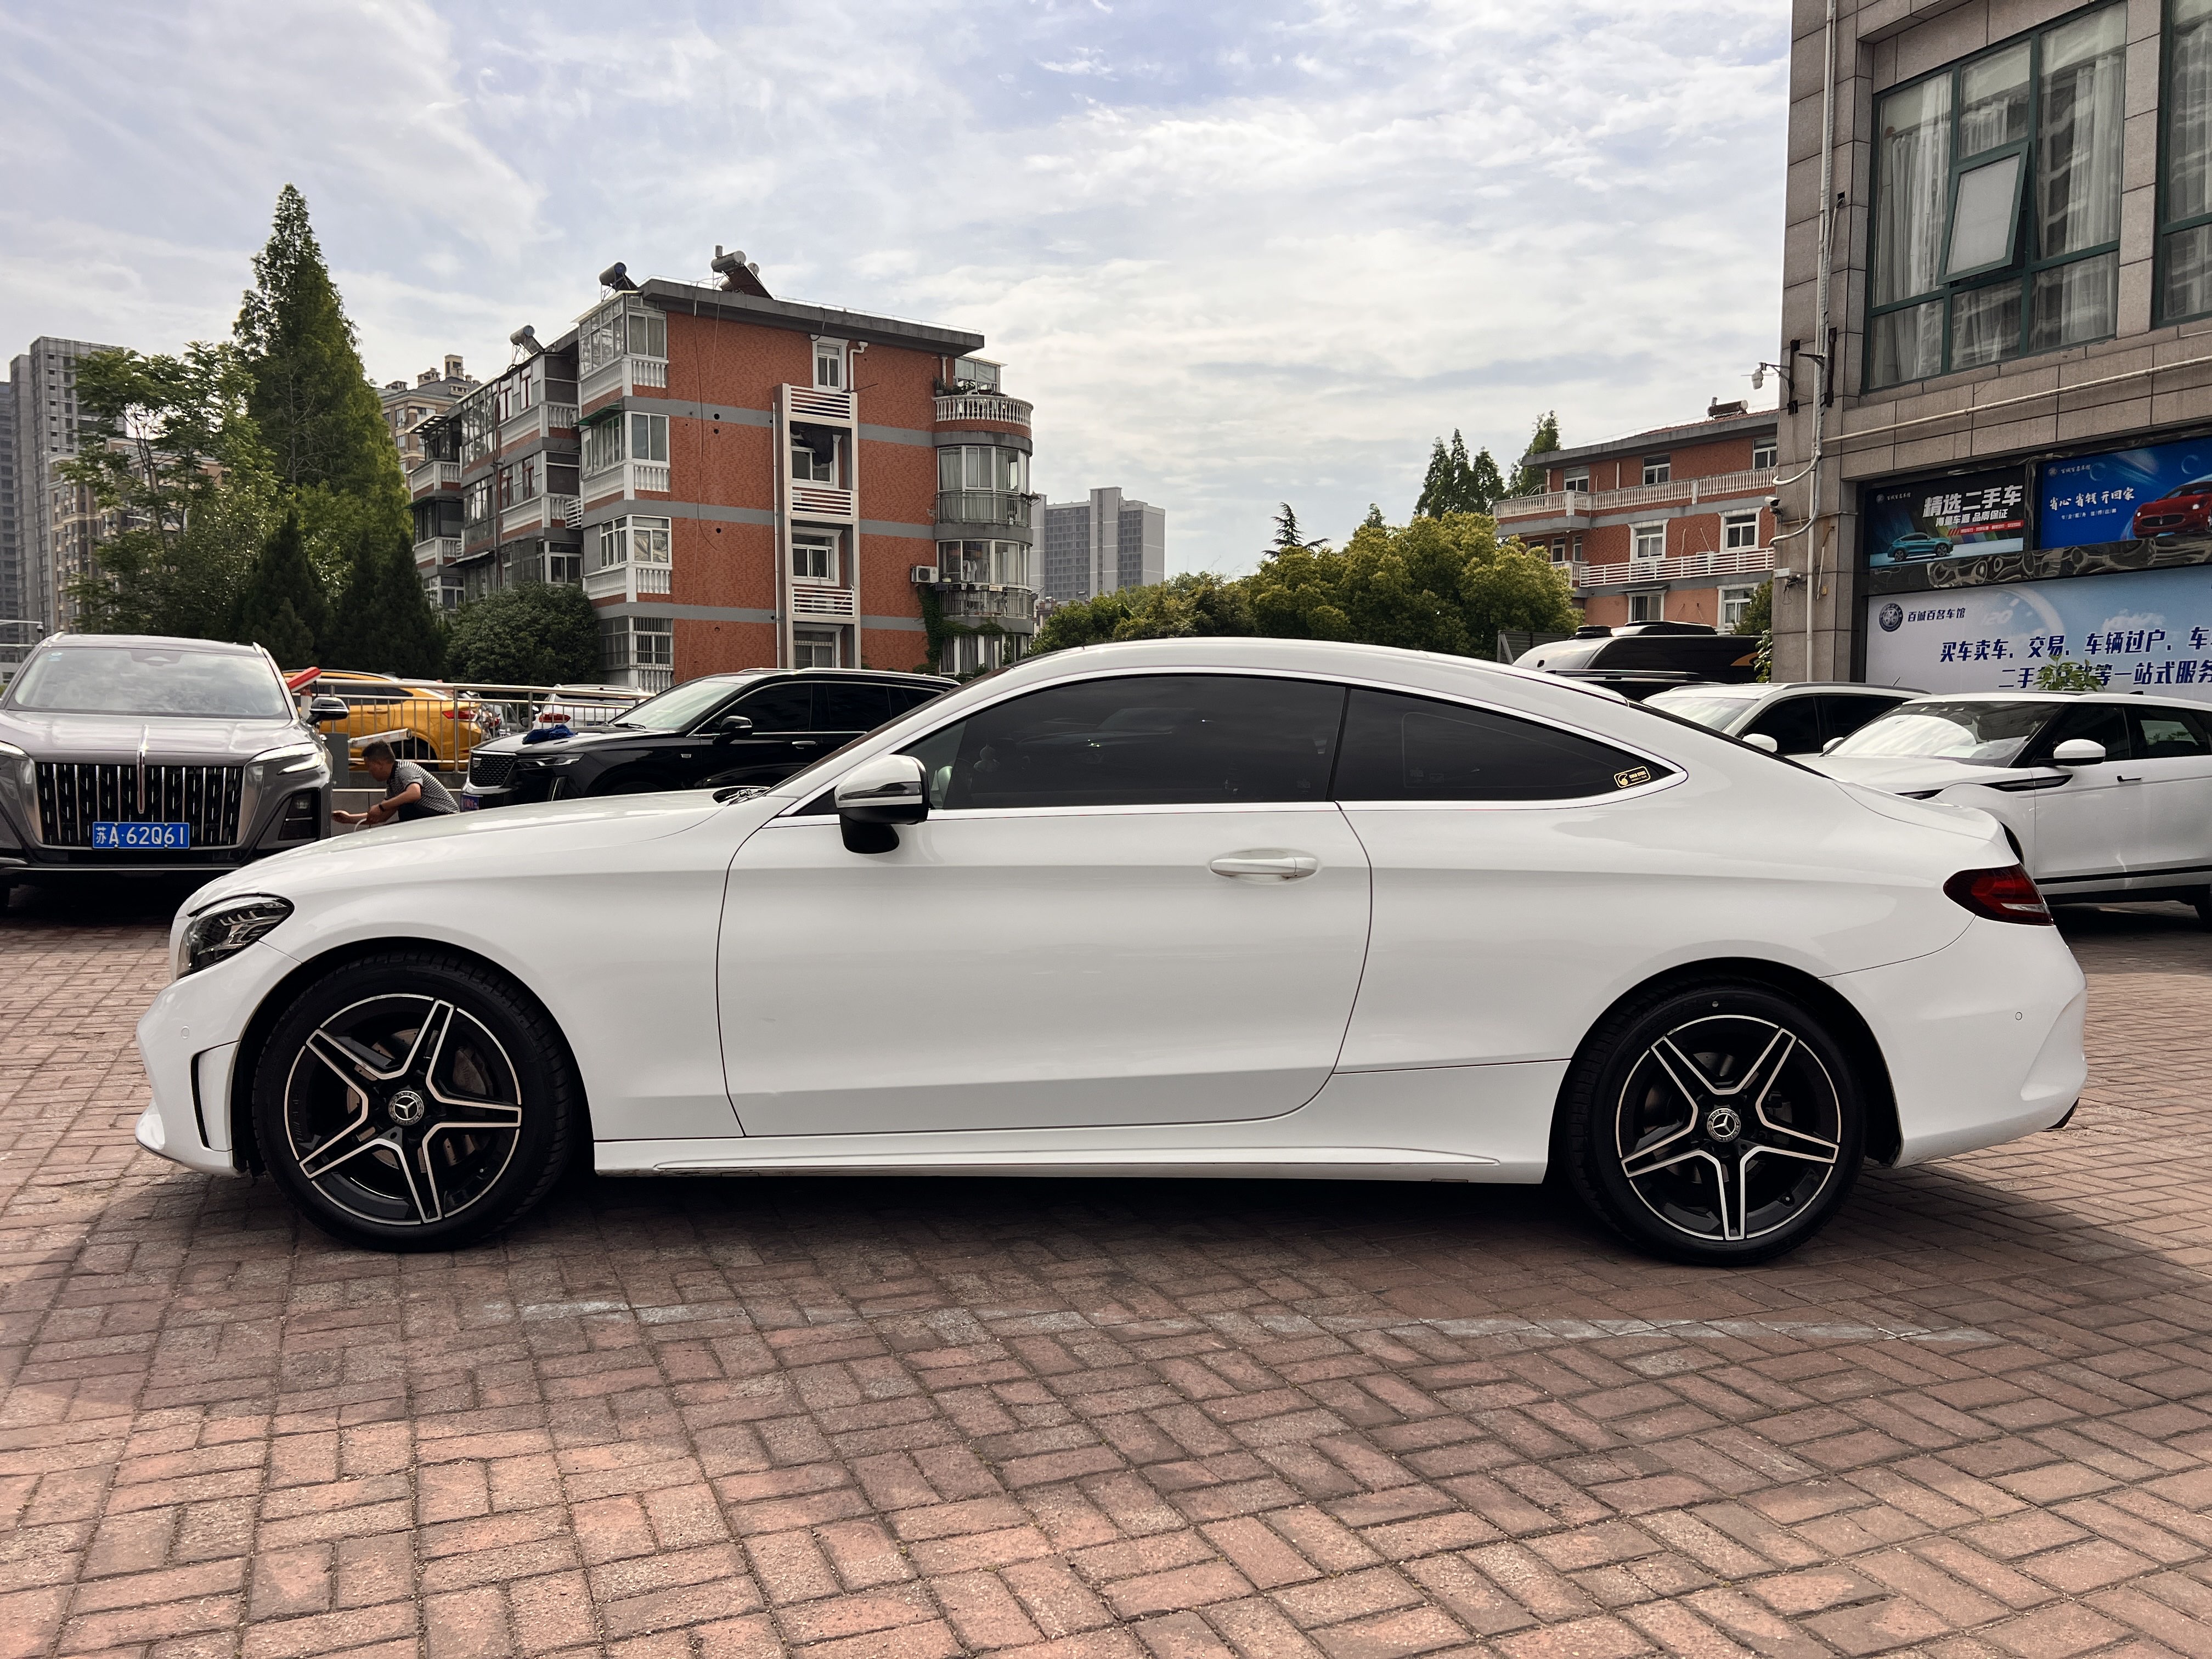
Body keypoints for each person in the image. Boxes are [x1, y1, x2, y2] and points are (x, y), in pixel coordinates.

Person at [334, 740, 460, 828]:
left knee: (406, 808)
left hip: (446, 818)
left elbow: (414, 793)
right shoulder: (392, 781)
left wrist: (382, 806)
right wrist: (348, 819)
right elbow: (382, 816)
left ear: (379, 764)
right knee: (387, 827)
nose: (369, 771)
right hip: (432, 818)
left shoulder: (404, 769)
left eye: (369, 766)